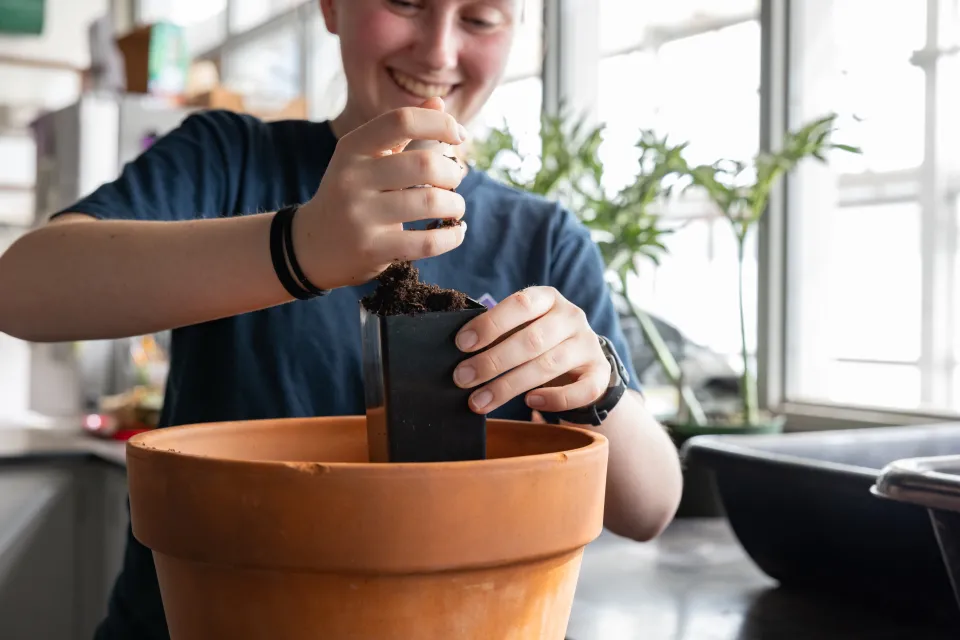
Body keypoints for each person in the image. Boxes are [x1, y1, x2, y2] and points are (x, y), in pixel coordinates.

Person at [0, 0, 683, 637]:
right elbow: (24, 286)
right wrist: (298, 246)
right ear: (331, 5)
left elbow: (648, 508)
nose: (439, 51)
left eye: (480, 17)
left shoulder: (543, 238)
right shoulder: (228, 159)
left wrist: (597, 389)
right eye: (406, 2)